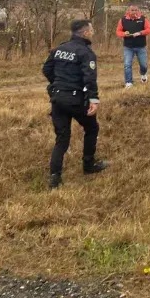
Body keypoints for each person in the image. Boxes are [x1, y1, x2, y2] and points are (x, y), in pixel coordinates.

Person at [42, 20, 108, 189]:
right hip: (76, 100)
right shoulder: (86, 53)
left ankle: (54, 178)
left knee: (62, 139)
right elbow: (89, 78)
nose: (93, 32)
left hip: (57, 99)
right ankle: (88, 165)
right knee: (92, 128)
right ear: (85, 33)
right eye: (91, 30)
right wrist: (93, 99)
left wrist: (57, 84)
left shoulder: (59, 49)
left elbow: (46, 69)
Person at [116, 5, 150, 89]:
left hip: (141, 46)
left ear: (138, 10)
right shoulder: (123, 20)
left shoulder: (143, 19)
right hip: (128, 47)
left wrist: (140, 33)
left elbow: (149, 30)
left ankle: (143, 74)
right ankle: (128, 82)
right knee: (127, 64)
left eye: (136, 10)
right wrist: (124, 34)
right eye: (132, 10)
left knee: (144, 65)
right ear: (128, 11)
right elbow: (118, 31)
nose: (134, 12)